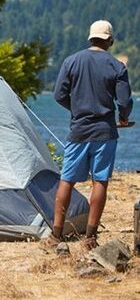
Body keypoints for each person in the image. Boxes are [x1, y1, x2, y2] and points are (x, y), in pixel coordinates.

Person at [44, 20, 133, 250]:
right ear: (109, 40)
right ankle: (90, 238)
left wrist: (75, 110)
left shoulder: (71, 61)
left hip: (79, 130)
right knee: (99, 181)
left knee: (67, 180)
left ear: (90, 38)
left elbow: (58, 94)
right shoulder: (117, 66)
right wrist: (123, 117)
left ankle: (55, 236)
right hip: (105, 131)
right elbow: (123, 101)